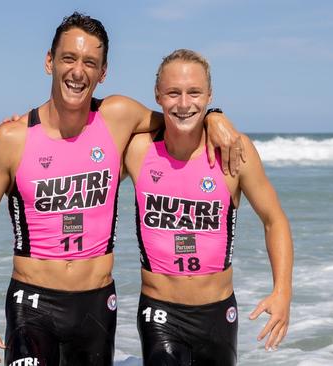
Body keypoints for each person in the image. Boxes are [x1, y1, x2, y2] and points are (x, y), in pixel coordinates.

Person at [0, 13, 244, 365]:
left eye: (90, 62)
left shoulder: (118, 117)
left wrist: (214, 116)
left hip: (95, 308)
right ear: (50, 61)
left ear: (103, 72)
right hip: (32, 304)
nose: (78, 71)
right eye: (69, 58)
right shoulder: (12, 138)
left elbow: (180, 120)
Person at [124, 49, 293, 365]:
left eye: (195, 93)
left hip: (217, 314)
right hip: (159, 311)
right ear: (158, 96)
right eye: (173, 93)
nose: (184, 103)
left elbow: (275, 220)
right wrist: (24, 125)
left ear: (209, 95)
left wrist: (282, 291)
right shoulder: (137, 150)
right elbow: (83, 146)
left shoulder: (234, 152)